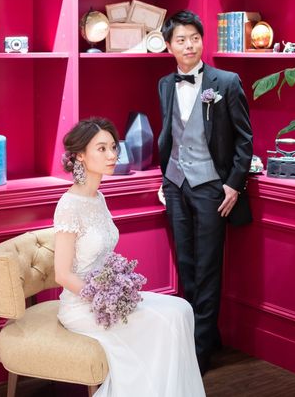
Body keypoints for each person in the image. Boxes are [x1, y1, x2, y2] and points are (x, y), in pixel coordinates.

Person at [53, 117, 206, 397]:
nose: (112, 155)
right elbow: (62, 274)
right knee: (166, 322)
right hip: (81, 307)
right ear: (80, 156)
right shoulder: (68, 206)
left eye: (113, 147)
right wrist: (101, 297)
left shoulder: (97, 198)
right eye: (102, 149)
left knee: (182, 309)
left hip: (109, 299)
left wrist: (118, 290)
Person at [158, 10, 253, 374]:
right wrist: (165, 178)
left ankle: (198, 354)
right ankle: (202, 336)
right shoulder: (165, 84)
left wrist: (233, 184)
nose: (189, 45)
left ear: (202, 41)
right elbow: (171, 134)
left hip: (213, 187)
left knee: (208, 267)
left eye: (194, 38)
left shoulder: (225, 82)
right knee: (186, 265)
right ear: (169, 46)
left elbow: (245, 139)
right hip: (175, 184)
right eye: (181, 40)